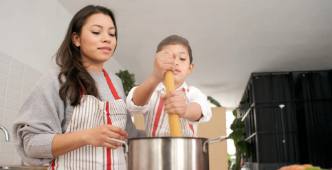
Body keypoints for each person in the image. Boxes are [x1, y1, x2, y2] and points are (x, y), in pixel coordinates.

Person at [13, 5, 137, 170]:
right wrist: (86, 136)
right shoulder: (57, 80)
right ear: (76, 39)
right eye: (96, 32)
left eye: (112, 33)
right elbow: (32, 144)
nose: (107, 39)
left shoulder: (116, 82)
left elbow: (129, 136)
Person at [126, 35, 212, 137]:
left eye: (182, 58)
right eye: (168, 59)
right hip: (155, 151)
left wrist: (185, 109)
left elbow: (203, 110)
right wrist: (154, 76)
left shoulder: (193, 92)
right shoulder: (151, 91)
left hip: (187, 151)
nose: (175, 62)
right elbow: (134, 105)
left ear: (190, 68)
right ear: (157, 64)